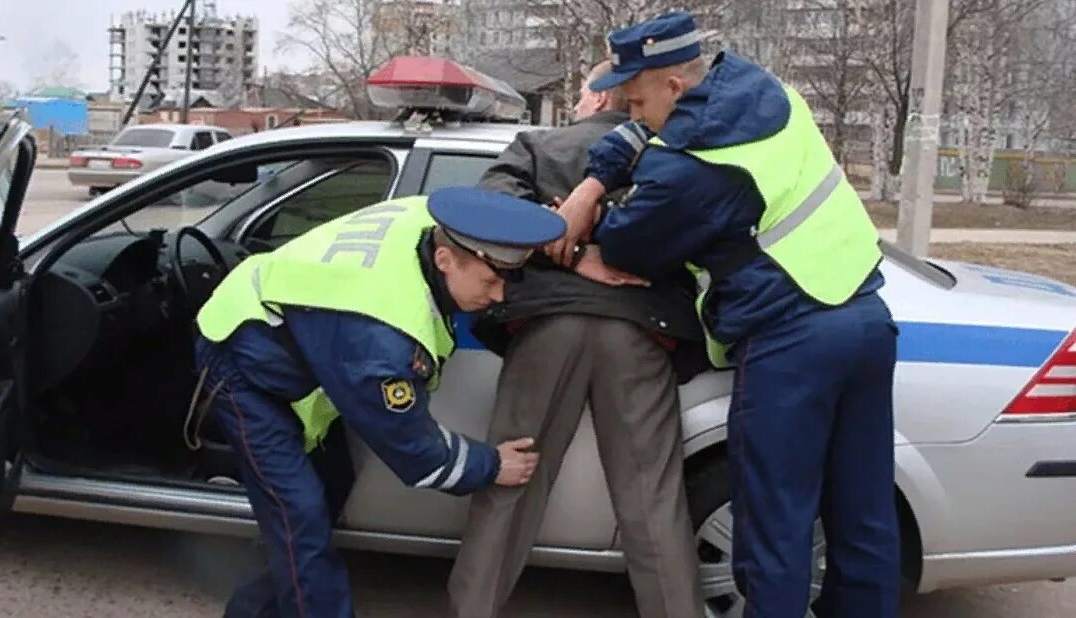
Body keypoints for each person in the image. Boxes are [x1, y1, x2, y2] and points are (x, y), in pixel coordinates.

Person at [548, 11, 901, 618]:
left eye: (634, 101)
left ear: (675, 87)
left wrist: (585, 215)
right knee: (862, 515)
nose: (632, 116)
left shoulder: (690, 170)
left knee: (773, 529)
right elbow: (652, 136)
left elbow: (632, 247)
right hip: (867, 319)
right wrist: (595, 180)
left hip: (792, 344)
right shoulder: (764, 92)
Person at [191, 186, 566, 618]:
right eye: (490, 281)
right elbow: (418, 455)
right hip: (245, 366)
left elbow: (488, 215)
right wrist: (492, 465)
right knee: (301, 516)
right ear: (444, 261)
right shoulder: (381, 343)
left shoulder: (435, 218)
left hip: (297, 343)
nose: (499, 296)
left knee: (323, 495)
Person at [447, 61, 707, 618]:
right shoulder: (672, 155)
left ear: (593, 100)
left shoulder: (539, 144)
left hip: (545, 327)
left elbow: (489, 217)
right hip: (642, 333)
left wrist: (556, 245)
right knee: (653, 502)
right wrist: (600, 251)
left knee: (510, 486)